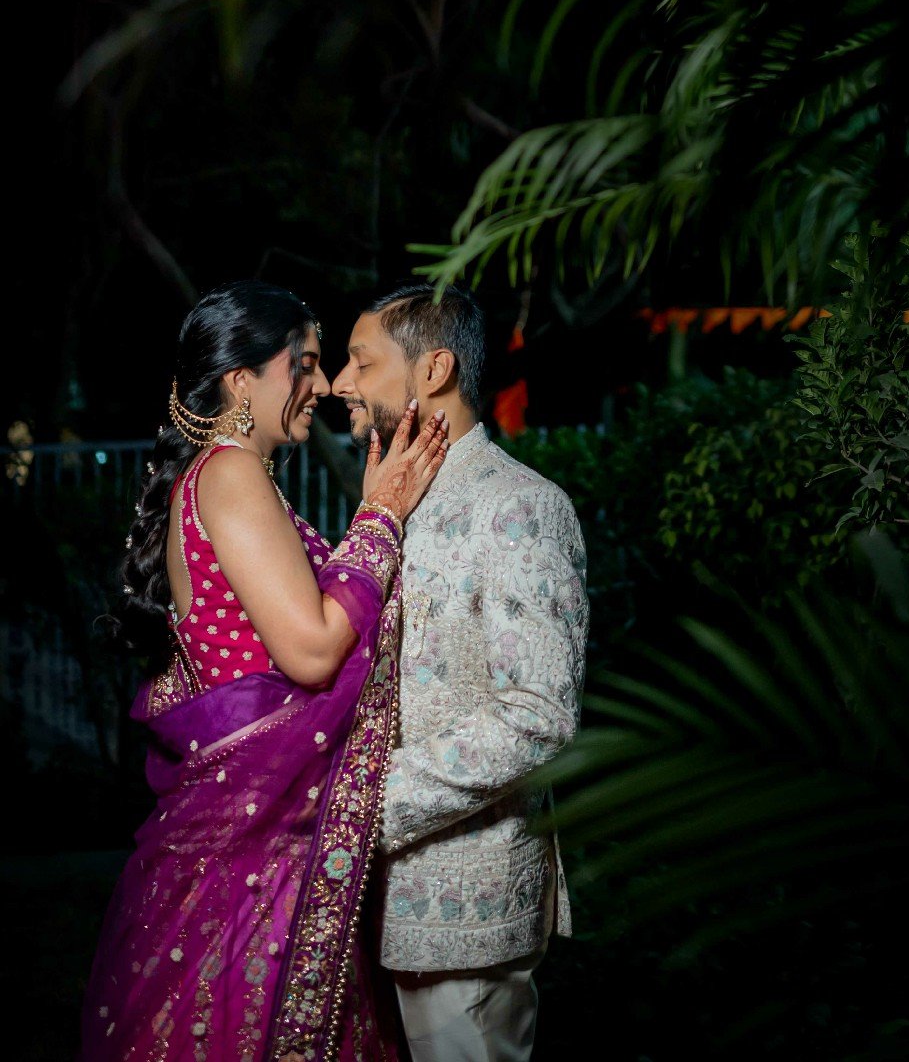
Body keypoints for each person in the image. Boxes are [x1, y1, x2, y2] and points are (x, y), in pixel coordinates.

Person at [80, 279, 448, 1062]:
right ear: (243, 379)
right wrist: (381, 516)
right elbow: (311, 651)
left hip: (255, 844)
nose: (322, 386)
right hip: (255, 855)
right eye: (303, 365)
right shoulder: (228, 473)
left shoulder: (228, 478)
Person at [332, 283, 589, 1062]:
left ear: (434, 369)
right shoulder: (393, 500)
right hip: (365, 902)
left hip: (464, 906)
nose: (340, 383)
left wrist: (362, 803)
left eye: (361, 363)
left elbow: (537, 714)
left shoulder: (519, 506)